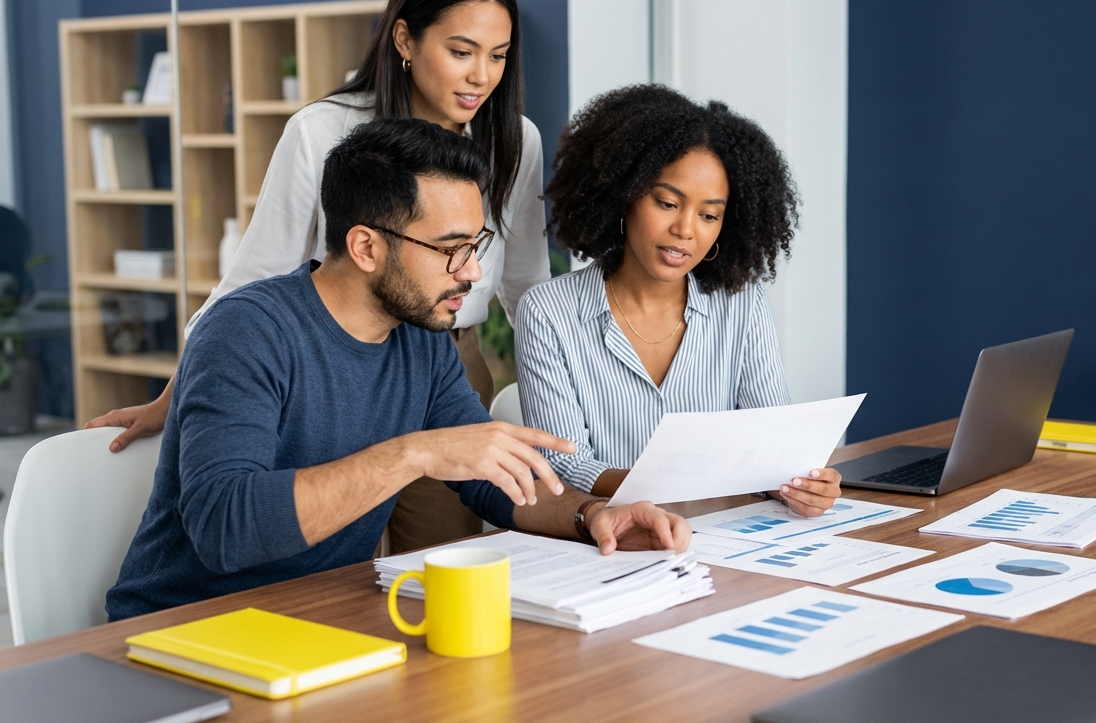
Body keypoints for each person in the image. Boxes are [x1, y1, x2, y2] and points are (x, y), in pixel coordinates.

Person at [105, 118, 689, 622]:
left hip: (322, 620)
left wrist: (594, 516)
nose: (473, 273)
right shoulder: (247, 333)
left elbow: (488, 477)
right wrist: (414, 453)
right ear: (365, 248)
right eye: (450, 249)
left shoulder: (420, 336)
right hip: (182, 633)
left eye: (477, 244)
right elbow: (226, 528)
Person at [88, 0, 548, 553]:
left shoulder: (515, 140)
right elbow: (253, 277)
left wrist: (555, 419)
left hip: (443, 359)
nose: (482, 76)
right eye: (460, 51)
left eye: (498, 56)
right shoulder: (323, 129)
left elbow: (528, 288)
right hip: (324, 368)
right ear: (405, 40)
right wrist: (181, 393)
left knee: (438, 567)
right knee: (315, 554)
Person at [514, 85, 842, 517]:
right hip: (610, 542)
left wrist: (800, 483)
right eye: (667, 202)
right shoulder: (548, 312)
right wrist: (673, 488)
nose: (686, 229)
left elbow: (770, 445)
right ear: (624, 194)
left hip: (725, 542)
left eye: (709, 215)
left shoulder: (740, 303)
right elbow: (563, 464)